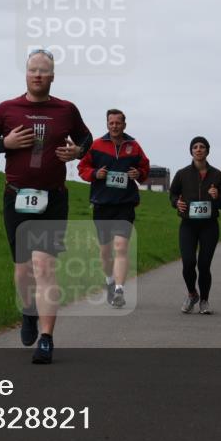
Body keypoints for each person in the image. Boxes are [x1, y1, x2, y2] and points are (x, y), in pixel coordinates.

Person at [0, 49, 92, 364]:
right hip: (16, 197)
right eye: (33, 70)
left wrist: (77, 151)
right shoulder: (7, 109)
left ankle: (47, 338)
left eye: (44, 71)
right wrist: (5, 144)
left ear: (52, 76)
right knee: (24, 268)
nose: (38, 75)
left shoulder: (66, 109)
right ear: (26, 74)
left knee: (45, 267)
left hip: (53, 198)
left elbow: (86, 138)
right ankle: (28, 311)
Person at [77, 109, 150, 308]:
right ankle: (109, 280)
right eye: (111, 123)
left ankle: (119, 289)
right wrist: (95, 174)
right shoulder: (97, 145)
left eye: (118, 123)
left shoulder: (133, 146)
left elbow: (145, 168)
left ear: (124, 125)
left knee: (121, 247)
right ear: (107, 124)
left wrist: (139, 174)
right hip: (102, 204)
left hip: (125, 204)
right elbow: (82, 168)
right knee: (105, 251)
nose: (115, 126)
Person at [168, 137, 221, 315]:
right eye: (195, 147)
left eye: (202, 147)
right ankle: (192, 293)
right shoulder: (182, 173)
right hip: (188, 224)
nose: (198, 149)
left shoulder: (217, 175)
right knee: (188, 262)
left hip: (209, 226)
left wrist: (217, 196)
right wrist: (176, 203)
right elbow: (172, 194)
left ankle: (204, 300)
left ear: (207, 151)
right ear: (191, 151)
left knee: (203, 265)